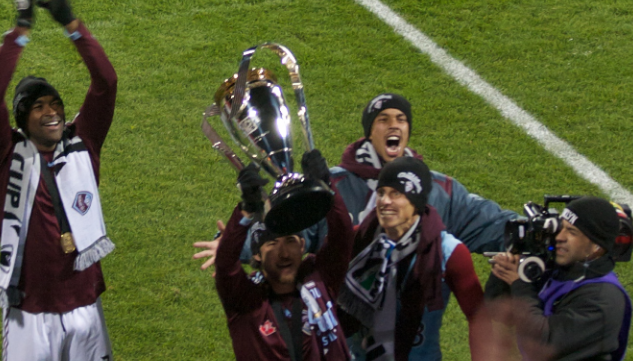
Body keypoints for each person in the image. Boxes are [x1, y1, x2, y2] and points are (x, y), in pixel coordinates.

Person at [0, 0, 118, 361]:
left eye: (55, 103)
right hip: (29, 313)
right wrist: (20, 28)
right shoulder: (5, 155)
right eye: (38, 106)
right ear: (22, 120)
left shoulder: (83, 143)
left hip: (84, 307)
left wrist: (72, 24)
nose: (52, 111)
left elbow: (106, 83)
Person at [193, 93, 517, 271]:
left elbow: (492, 224)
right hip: (346, 342)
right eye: (383, 120)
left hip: (414, 350)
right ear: (369, 131)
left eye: (401, 120)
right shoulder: (332, 185)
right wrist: (239, 240)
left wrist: (544, 232)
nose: (394, 126)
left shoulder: (439, 189)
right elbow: (286, 230)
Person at [337, 157, 488, 361]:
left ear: (416, 201)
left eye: (396, 194)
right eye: (382, 192)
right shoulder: (354, 242)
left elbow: (481, 317)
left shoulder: (448, 252)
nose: (385, 201)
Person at [215, 155, 354, 361]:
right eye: (272, 244)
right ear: (256, 256)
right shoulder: (245, 300)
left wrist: (326, 187)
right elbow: (226, 266)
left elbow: (342, 238)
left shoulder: (320, 279)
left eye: (291, 241)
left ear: (302, 246)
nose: (283, 252)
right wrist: (246, 211)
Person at [489, 196, 631, 361]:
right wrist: (507, 270)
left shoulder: (603, 300)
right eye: (561, 228)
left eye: (571, 232)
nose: (559, 237)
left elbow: (540, 347)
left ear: (596, 247)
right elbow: (498, 310)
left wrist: (521, 284)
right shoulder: (562, 268)